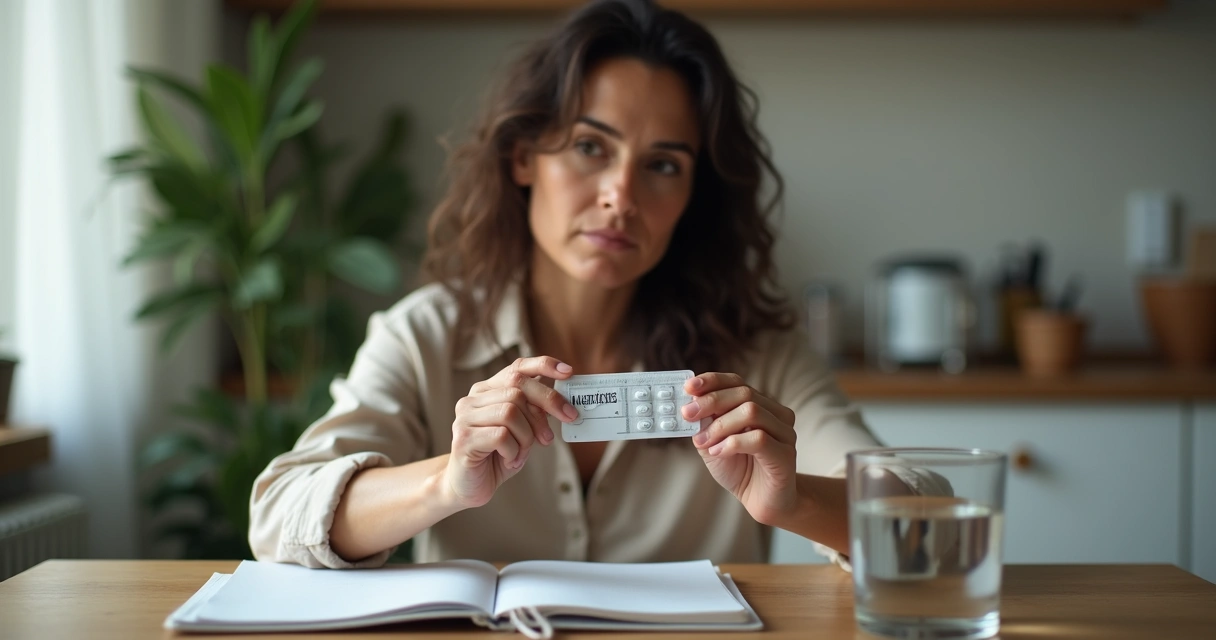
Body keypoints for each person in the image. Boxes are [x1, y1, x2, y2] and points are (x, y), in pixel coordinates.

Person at [249, 0, 888, 570]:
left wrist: (796, 501)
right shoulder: (426, 334)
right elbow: (281, 515)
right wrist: (448, 483)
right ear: (525, 156)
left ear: (694, 196)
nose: (621, 197)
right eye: (590, 146)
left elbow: (914, 503)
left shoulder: (756, 352)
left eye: (663, 164)